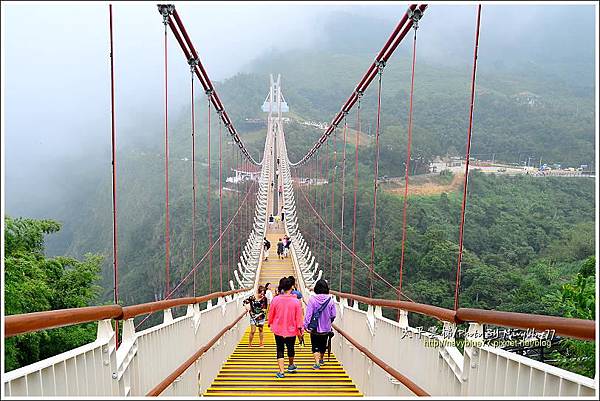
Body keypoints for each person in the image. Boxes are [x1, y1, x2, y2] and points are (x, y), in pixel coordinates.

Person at [268, 277, 304, 378]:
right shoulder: (296, 301)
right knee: (290, 347)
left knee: (279, 349)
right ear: (292, 287)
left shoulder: (275, 299)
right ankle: (291, 365)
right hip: (292, 330)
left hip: (278, 329)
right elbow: (299, 318)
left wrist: (270, 322)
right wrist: (300, 329)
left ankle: (281, 371)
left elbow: (271, 314)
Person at [304, 279, 336, 369]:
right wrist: (329, 321)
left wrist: (306, 325)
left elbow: (308, 314)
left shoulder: (312, 299)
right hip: (326, 328)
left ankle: (317, 363)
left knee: (315, 345)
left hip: (314, 327)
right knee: (323, 344)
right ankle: (321, 358)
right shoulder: (331, 300)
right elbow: (333, 314)